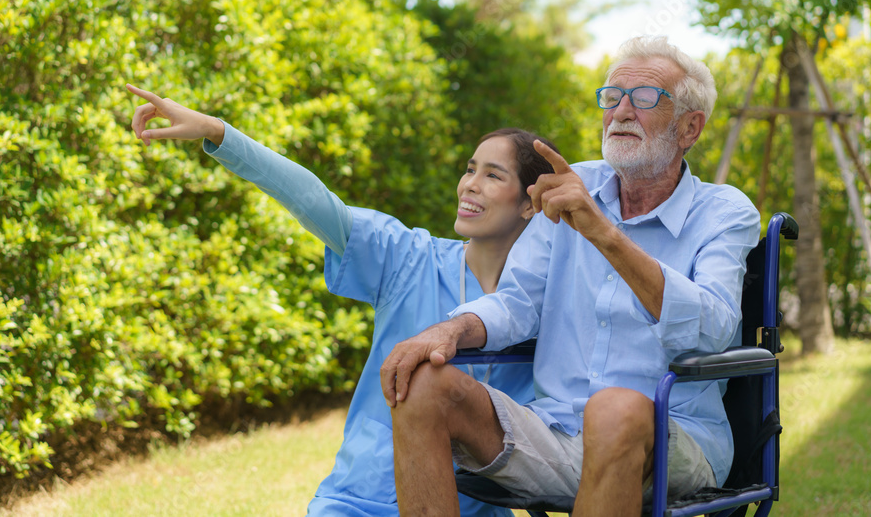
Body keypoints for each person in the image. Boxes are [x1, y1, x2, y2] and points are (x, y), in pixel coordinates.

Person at [125, 83, 561, 516]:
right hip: (360, 500)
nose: (469, 185)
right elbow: (313, 200)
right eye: (470, 169)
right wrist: (219, 132)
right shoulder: (406, 256)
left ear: (530, 204)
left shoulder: (550, 299)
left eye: (492, 175)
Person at [380, 36, 762, 516]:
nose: (621, 111)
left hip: (672, 443)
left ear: (690, 127)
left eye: (644, 99)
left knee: (616, 408)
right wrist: (450, 329)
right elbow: (517, 302)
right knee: (422, 385)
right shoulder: (572, 186)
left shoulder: (725, 212)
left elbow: (711, 331)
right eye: (612, 97)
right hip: (554, 431)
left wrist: (604, 232)